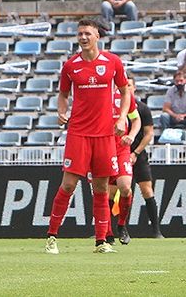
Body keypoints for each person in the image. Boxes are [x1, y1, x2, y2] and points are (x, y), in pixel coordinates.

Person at [45, 18, 130, 255]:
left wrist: (122, 117)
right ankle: (52, 236)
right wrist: (61, 110)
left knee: (101, 188)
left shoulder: (113, 62)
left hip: (105, 135)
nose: (83, 37)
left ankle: (101, 241)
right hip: (79, 133)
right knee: (68, 184)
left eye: (87, 34)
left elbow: (125, 92)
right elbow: (62, 94)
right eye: (80, 33)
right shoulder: (71, 66)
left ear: (97, 37)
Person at [106, 82, 141, 246]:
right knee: (105, 193)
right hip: (102, 148)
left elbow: (136, 120)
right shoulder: (96, 97)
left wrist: (132, 136)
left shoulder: (125, 98)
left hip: (121, 149)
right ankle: (107, 232)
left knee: (125, 187)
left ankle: (121, 224)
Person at [128, 76, 164, 238]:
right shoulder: (114, 108)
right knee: (112, 192)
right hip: (119, 155)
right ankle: (109, 231)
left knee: (147, 190)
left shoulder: (142, 109)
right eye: (124, 85)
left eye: (129, 85)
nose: (126, 88)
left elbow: (149, 134)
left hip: (138, 155)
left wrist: (135, 153)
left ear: (134, 88)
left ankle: (156, 231)